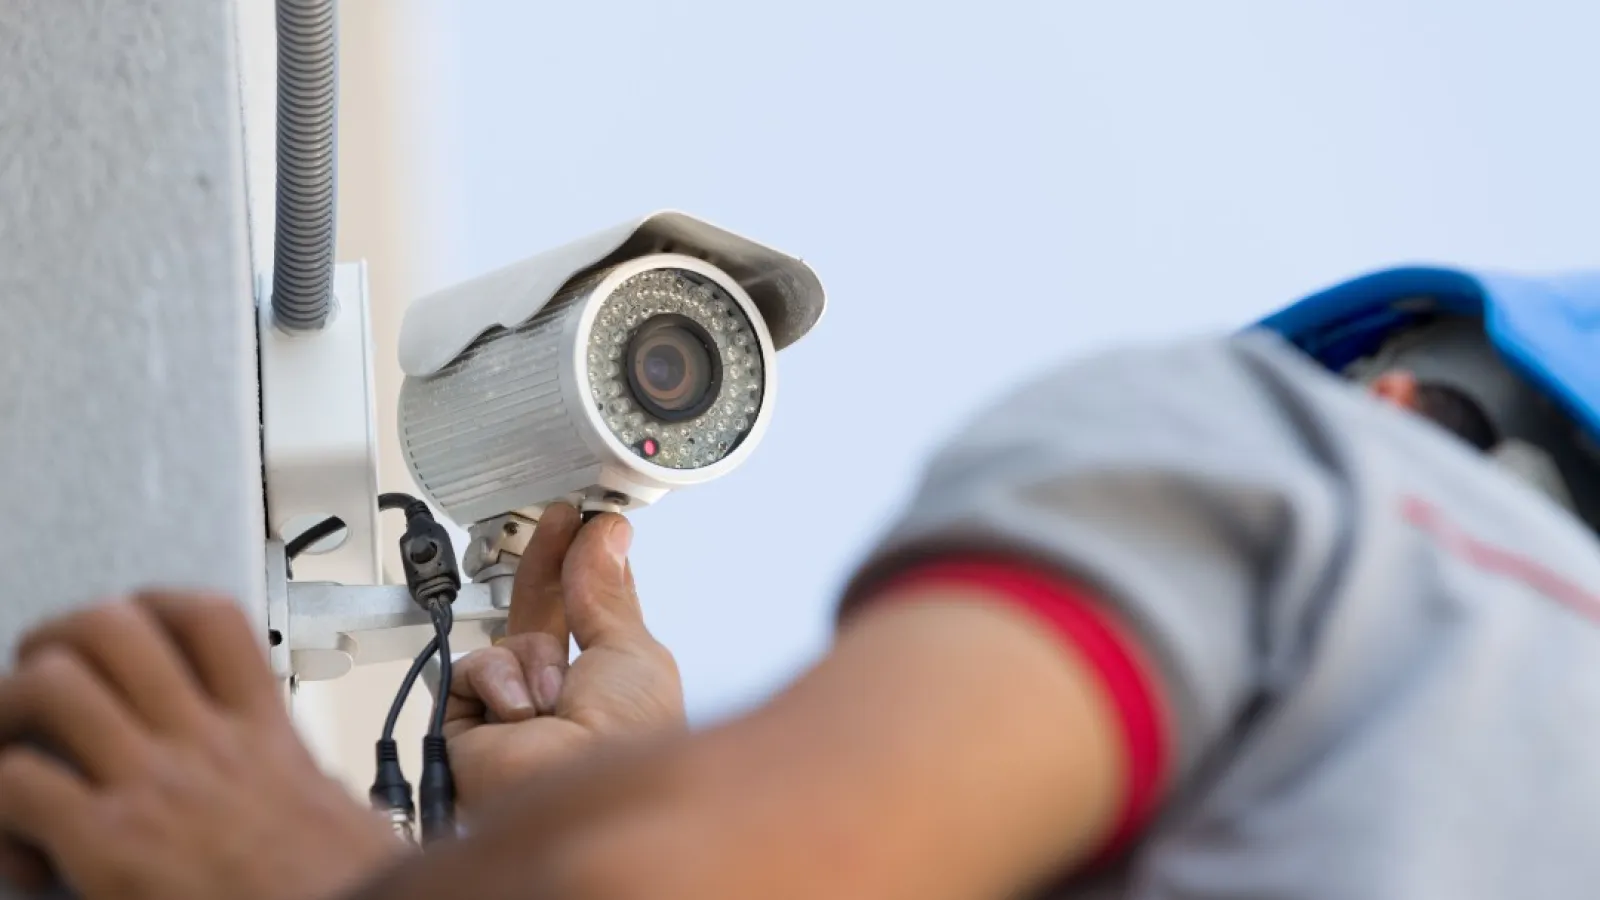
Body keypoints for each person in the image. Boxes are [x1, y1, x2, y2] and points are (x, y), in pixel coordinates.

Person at [1, 264, 1598, 900]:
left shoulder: (1310, 485)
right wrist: (631, 785)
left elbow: (698, 884)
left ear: (1397, 395)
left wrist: (310, 871)